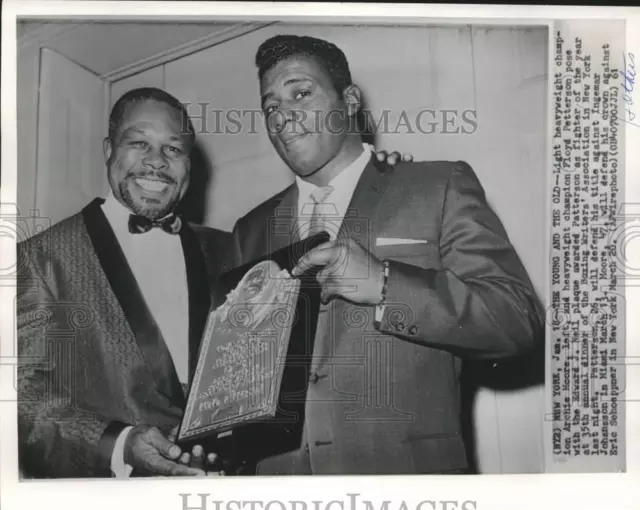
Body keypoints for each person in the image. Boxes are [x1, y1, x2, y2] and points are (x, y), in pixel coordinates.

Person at [16, 86, 407, 478]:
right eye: (138, 143)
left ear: (189, 163)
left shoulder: (229, 247)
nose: (156, 162)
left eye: (173, 149)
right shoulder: (40, 257)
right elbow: (20, 399)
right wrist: (119, 444)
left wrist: (369, 178)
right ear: (108, 150)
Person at [229, 34, 545, 475]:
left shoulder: (437, 185)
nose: (282, 117)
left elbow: (517, 321)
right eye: (270, 107)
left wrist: (384, 285)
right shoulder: (250, 229)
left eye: (301, 93)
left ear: (351, 99)